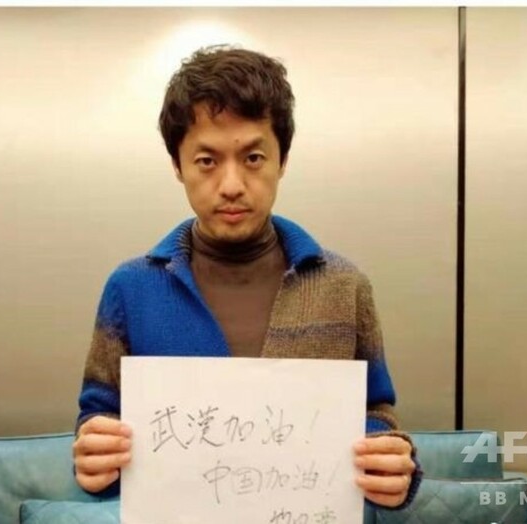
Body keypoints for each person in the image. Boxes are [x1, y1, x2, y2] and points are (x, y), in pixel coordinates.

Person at [73, 44, 421, 510]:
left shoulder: (344, 287)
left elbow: (375, 414)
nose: (232, 185)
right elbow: (99, 417)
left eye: (254, 158)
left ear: (283, 160)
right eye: (207, 161)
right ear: (177, 166)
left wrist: (392, 467)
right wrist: (94, 456)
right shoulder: (131, 288)